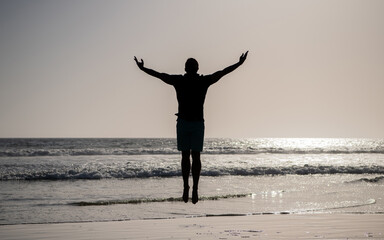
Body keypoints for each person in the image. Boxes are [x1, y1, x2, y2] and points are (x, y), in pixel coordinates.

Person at [134, 51, 248, 204]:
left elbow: (160, 75)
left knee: (185, 156)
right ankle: (193, 188)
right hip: (195, 123)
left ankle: (187, 187)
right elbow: (222, 73)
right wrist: (239, 64)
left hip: (185, 122)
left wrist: (143, 69)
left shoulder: (180, 80)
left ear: (186, 68)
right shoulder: (202, 81)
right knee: (195, 156)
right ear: (196, 68)